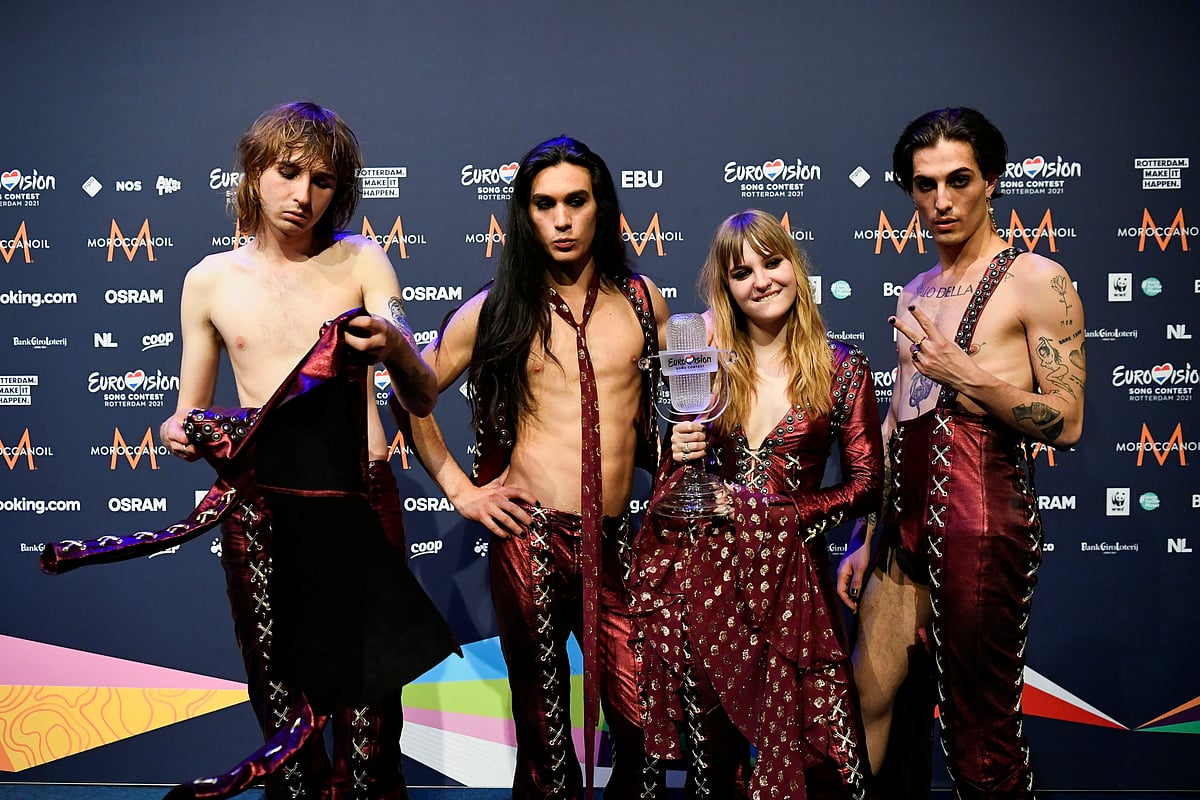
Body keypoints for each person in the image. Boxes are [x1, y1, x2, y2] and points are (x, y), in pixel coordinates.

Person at [154, 101, 459, 800]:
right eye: (288, 173)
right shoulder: (209, 279)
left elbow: (420, 393)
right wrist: (180, 434)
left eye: (322, 181)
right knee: (279, 697)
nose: (303, 195)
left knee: (372, 709)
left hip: (359, 494)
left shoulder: (362, 259)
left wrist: (396, 346)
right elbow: (188, 413)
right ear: (254, 173)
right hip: (261, 505)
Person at [402, 135, 670, 799]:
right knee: (547, 741)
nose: (562, 219)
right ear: (525, 214)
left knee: (646, 728)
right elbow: (411, 394)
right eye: (544, 204)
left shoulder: (642, 300)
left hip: (616, 543)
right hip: (532, 540)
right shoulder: (496, 307)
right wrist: (461, 490)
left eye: (576, 201)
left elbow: (691, 400)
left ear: (601, 207)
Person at [836, 107, 1086, 800]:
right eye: (925, 185)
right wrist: (866, 532)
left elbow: (1067, 422)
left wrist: (968, 376)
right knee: (865, 697)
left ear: (991, 181)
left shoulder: (1036, 278)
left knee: (980, 729)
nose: (941, 201)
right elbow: (898, 419)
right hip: (903, 531)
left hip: (983, 522)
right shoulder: (916, 288)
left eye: (959, 180)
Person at [630, 209, 882, 800]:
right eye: (742, 273)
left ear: (796, 267)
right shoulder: (707, 367)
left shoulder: (842, 368)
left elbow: (867, 485)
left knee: (826, 762)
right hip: (710, 585)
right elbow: (677, 491)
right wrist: (678, 452)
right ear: (726, 287)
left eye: (773, 263)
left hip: (798, 586)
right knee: (712, 767)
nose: (762, 281)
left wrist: (773, 513)